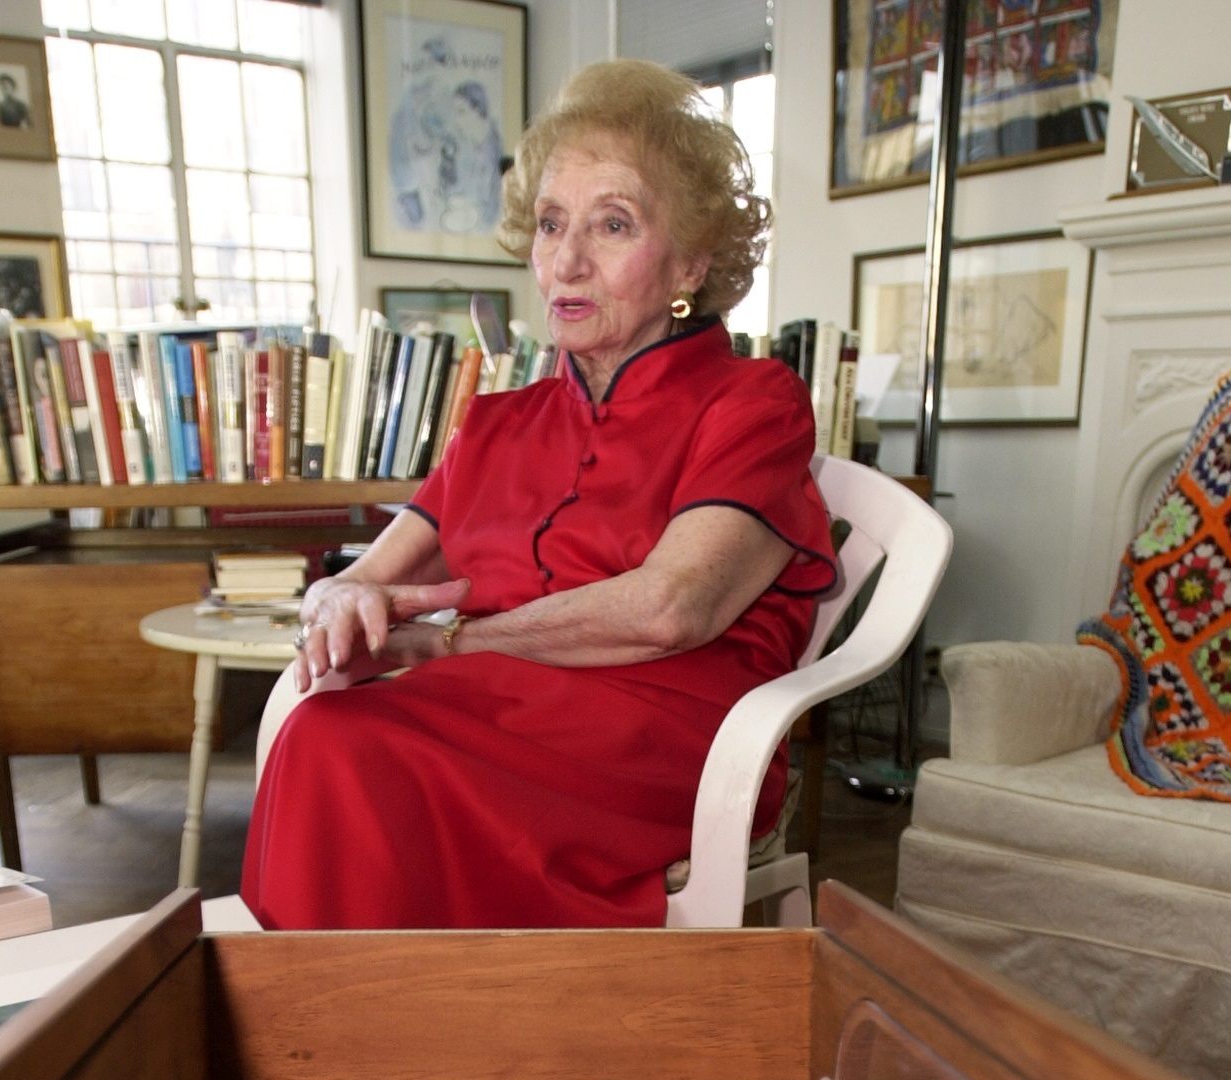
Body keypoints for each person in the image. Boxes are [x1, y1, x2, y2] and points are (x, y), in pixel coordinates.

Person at [242, 59, 837, 930]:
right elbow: (371, 574)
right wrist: (337, 599)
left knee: (346, 748)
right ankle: (363, 1033)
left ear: (689, 265)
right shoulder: (494, 424)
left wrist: (452, 644)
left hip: (666, 730)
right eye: (551, 222)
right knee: (326, 733)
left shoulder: (754, 402)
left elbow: (670, 609)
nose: (567, 259)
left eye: (613, 225)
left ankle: (361, 1031)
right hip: (492, 707)